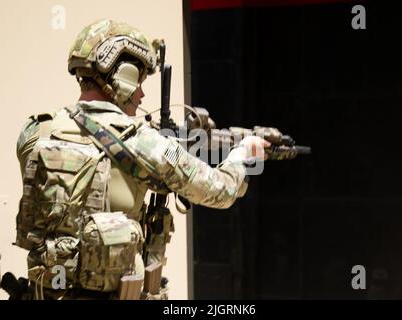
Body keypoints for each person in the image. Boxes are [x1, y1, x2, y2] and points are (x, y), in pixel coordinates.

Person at [14, 19, 270, 300]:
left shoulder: (36, 130)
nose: (141, 93)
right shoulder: (141, 142)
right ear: (122, 74)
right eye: (139, 81)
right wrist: (243, 155)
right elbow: (219, 191)